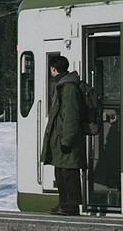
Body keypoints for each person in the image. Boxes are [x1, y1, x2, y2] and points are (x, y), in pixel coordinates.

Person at [42, 54, 86, 215]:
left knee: (69, 172)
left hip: (66, 138)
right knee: (60, 171)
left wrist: (67, 140)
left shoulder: (68, 88)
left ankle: (71, 206)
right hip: (60, 138)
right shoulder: (63, 85)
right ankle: (64, 204)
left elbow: (71, 116)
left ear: (54, 69)